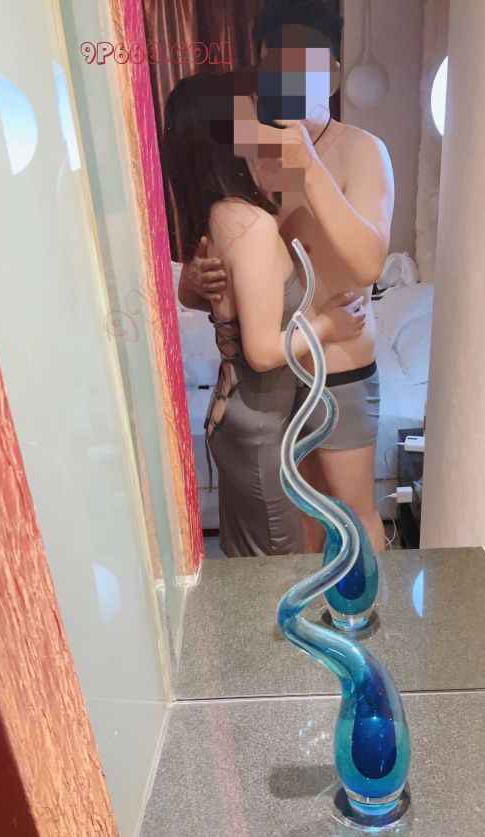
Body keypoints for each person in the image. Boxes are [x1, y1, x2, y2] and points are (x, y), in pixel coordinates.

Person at [181, 0, 394, 553]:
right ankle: (309, 608)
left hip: (338, 367)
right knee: (300, 523)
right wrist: (196, 282)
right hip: (271, 376)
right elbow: (225, 273)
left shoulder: (362, 151)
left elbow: (368, 264)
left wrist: (308, 163)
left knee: (352, 514)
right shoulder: (250, 147)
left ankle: (372, 606)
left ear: (333, 73)